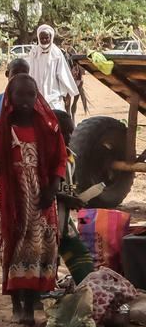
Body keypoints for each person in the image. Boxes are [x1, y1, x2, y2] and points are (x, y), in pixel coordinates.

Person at [0, 74, 67, 327]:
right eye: (20, 94)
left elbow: (59, 160)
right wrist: (6, 172)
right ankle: (16, 304)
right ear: (10, 96)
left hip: (41, 197)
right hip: (11, 196)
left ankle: (30, 305)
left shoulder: (48, 128)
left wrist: (52, 187)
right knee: (11, 243)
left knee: (39, 249)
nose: (26, 100)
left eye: (31, 94)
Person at [0, 58, 31, 221]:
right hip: (0, 168)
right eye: (16, 72)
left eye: (24, 72)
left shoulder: (34, 102)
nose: (20, 76)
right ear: (6, 74)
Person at [52, 108, 95, 284]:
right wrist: (65, 198)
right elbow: (39, 189)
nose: (69, 136)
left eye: (71, 132)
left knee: (81, 257)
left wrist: (76, 197)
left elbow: (71, 185)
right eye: (64, 132)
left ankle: (86, 285)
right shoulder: (44, 158)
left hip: (64, 219)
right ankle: (42, 292)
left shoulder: (70, 157)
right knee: (48, 257)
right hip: (48, 219)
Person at [27, 25, 79, 111]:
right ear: (38, 38)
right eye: (42, 38)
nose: (44, 40)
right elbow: (30, 72)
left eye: (46, 38)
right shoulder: (34, 52)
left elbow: (63, 73)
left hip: (53, 96)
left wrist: (68, 92)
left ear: (51, 37)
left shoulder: (56, 53)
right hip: (36, 96)